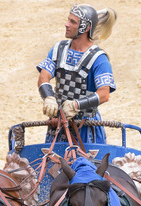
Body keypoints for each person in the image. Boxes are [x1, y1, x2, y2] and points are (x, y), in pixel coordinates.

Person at [36, 4, 117, 144]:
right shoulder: (58, 49)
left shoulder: (99, 58)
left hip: (86, 127)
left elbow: (104, 93)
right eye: (68, 20)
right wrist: (48, 97)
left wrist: (76, 105)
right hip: (58, 124)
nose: (66, 24)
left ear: (85, 28)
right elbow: (44, 76)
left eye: (72, 22)